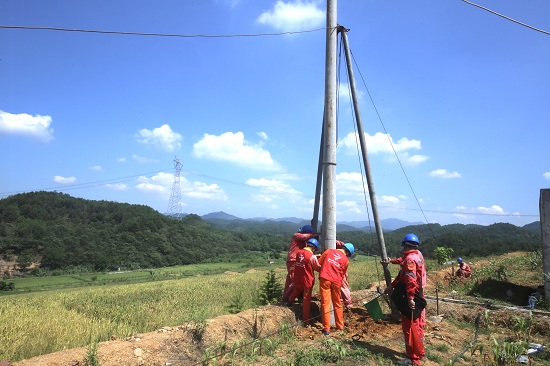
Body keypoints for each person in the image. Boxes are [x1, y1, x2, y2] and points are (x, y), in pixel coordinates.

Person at [384, 233, 426, 365]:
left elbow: (410, 280)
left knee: (409, 327)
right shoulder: (417, 256)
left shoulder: (410, 260)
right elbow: (402, 273)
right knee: (418, 325)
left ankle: (412, 358)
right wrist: (392, 285)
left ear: (405, 245)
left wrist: (410, 298)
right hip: (419, 293)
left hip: (412, 295)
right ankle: (419, 352)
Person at [318, 242, 354, 336]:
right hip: (337, 282)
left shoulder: (329, 251)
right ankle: (340, 326)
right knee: (337, 303)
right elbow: (343, 273)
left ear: (343, 247)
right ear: (348, 253)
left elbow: (319, 263)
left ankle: (326, 329)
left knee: (326, 303)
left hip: (325, 279)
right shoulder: (346, 261)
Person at [286, 238, 321, 325]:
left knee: (297, 290)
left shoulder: (299, 253)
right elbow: (316, 267)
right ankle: (306, 320)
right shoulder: (312, 257)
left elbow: (304, 258)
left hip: (298, 278)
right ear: (314, 248)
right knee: (306, 300)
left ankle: (290, 301)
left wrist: (315, 257)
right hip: (307, 280)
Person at [282, 225, 317, 301]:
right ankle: (288, 298)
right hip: (293, 260)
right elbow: (305, 237)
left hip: (294, 260)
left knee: (290, 281)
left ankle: (287, 297)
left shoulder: (303, 241)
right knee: (295, 280)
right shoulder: (297, 236)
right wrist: (315, 234)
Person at [336, 240, 352, 309]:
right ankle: (344, 300)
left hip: (340, 269)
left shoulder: (338, 246)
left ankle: (348, 304)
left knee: (343, 286)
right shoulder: (340, 246)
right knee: (342, 286)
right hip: (338, 268)